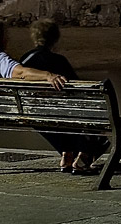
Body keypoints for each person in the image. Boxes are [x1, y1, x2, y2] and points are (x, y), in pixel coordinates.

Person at [20, 21, 96, 172]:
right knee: (87, 115)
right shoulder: (59, 61)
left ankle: (67, 154)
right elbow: (78, 88)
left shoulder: (24, 60)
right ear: (55, 38)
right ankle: (82, 154)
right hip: (56, 111)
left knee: (57, 116)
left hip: (30, 111)